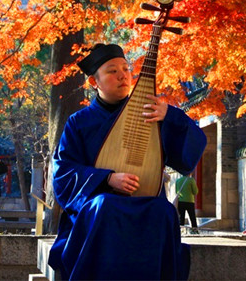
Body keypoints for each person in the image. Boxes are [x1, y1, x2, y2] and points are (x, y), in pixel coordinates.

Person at [48, 44, 207, 280]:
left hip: (146, 199)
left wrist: (170, 116)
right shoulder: (78, 122)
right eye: (112, 71)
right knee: (105, 205)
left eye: (126, 68)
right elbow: (63, 173)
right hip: (97, 204)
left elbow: (188, 156)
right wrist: (107, 178)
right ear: (95, 82)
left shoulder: (151, 112)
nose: (123, 75)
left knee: (163, 210)